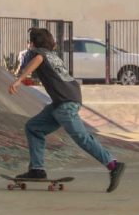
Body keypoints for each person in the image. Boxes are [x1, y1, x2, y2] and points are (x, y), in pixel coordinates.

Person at [9, 27, 126, 193]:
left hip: (65, 103)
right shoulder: (53, 56)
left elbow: (37, 60)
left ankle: (113, 165)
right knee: (33, 127)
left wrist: (19, 80)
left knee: (81, 137)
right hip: (62, 102)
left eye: (30, 42)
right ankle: (37, 169)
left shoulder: (40, 54)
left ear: (33, 43)